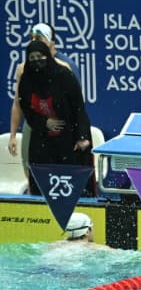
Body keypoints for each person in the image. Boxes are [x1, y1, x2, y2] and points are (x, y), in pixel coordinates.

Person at [17, 40, 95, 196]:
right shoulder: (26, 81)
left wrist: (82, 136)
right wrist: (45, 123)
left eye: (40, 56)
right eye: (32, 58)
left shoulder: (64, 75)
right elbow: (27, 111)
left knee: (73, 186)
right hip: (42, 142)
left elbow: (78, 107)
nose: (37, 61)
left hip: (69, 140)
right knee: (42, 184)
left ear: (47, 55)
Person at [8, 23, 81, 174]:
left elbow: (77, 105)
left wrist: (78, 135)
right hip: (35, 125)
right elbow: (17, 103)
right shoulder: (23, 69)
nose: (34, 41)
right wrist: (13, 135)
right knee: (33, 173)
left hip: (61, 126)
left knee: (62, 174)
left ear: (50, 41)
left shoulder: (67, 67)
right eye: (31, 38)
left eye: (39, 38)